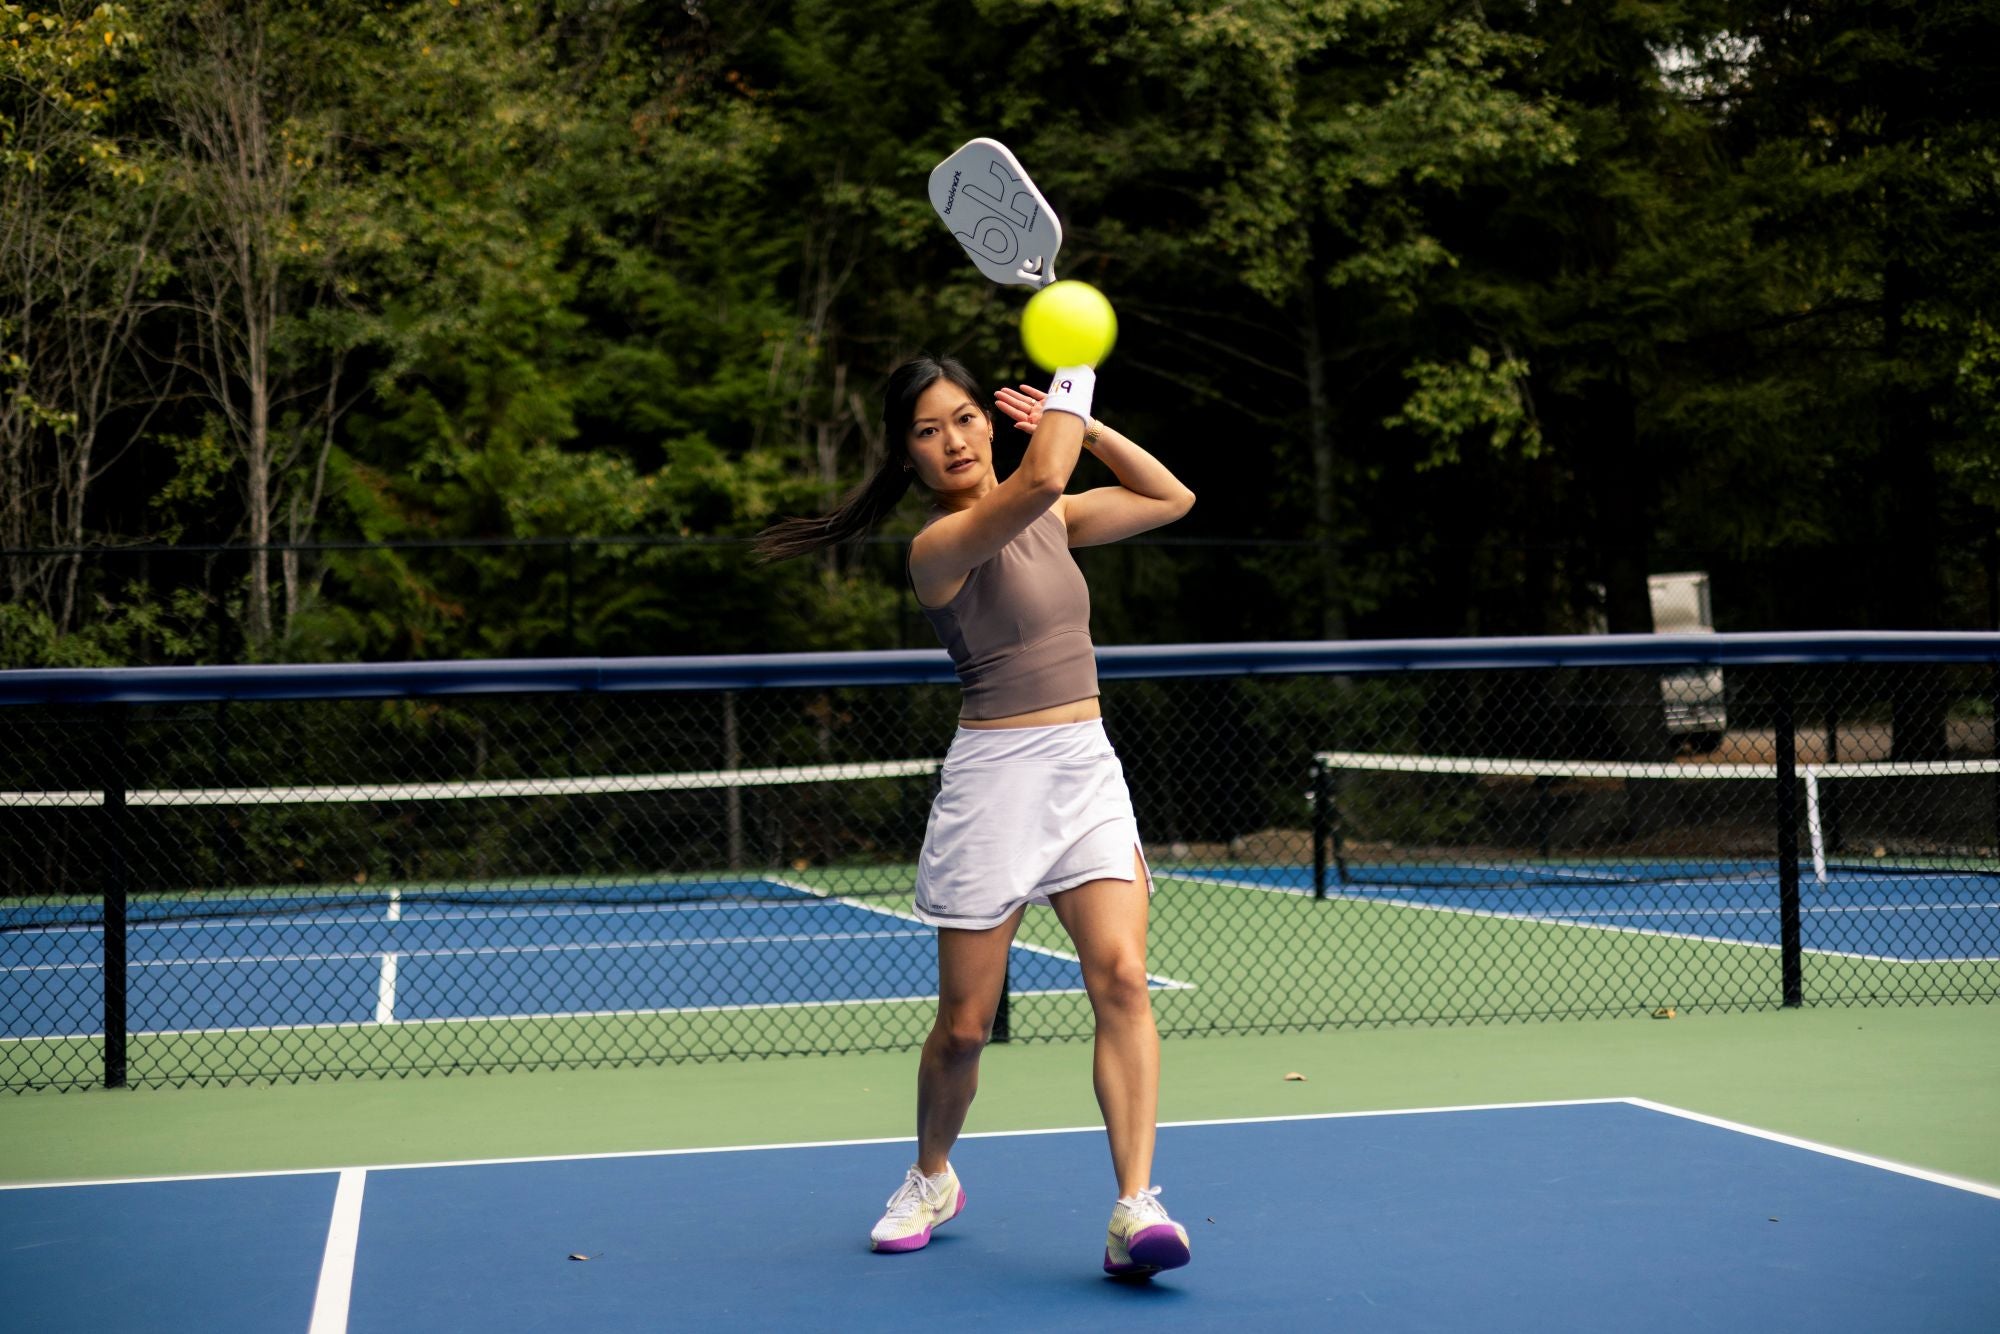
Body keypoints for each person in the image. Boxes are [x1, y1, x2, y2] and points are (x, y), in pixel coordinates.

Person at [757, 354, 1196, 1276]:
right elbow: (1042, 476)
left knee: (1120, 979)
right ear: (908, 457)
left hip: (1085, 770)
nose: (952, 440)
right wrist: (1075, 368)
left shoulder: (1060, 520)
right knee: (964, 1025)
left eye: (963, 418)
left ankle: (1134, 1208)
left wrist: (1081, 418)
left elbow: (1169, 498)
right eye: (927, 430)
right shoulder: (936, 549)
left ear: (990, 422)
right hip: (994, 782)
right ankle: (931, 1175)